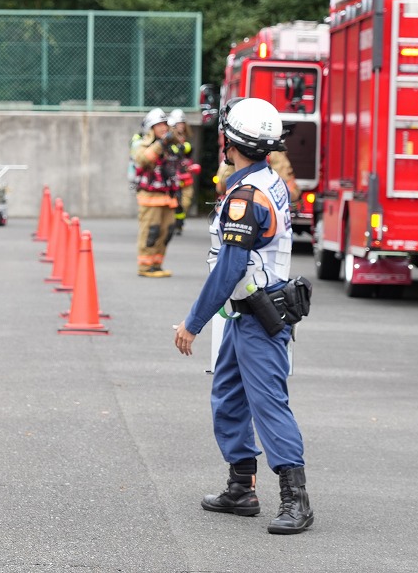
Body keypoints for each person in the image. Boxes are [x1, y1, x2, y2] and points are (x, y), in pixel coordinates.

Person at [174, 97, 313, 535]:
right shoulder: (265, 180)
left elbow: (230, 268)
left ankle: (297, 500)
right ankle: (241, 487)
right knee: (228, 397)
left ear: (229, 141)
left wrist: (192, 323)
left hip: (258, 313)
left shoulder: (246, 197)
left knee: (268, 405)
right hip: (243, 314)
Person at [131, 107, 181, 277]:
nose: (163, 129)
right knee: (150, 232)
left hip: (168, 197)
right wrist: (160, 144)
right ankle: (145, 267)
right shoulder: (141, 144)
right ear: (151, 128)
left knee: (166, 232)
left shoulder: (169, 146)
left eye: (164, 125)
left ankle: (156, 264)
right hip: (150, 197)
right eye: (159, 125)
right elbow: (144, 159)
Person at [165, 109, 195, 235]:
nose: (182, 126)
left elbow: (189, 151)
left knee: (185, 202)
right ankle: (175, 224)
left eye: (183, 123)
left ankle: (179, 222)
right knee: (175, 202)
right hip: (173, 176)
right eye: (179, 123)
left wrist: (184, 147)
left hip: (185, 175)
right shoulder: (169, 138)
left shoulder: (185, 139)